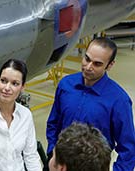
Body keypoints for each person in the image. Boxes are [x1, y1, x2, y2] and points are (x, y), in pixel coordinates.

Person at [46, 37, 135, 171]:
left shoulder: (119, 101)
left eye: (97, 64)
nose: (88, 67)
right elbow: (53, 123)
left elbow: (128, 148)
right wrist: (53, 152)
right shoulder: (66, 85)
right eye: (87, 59)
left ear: (110, 65)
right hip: (58, 164)